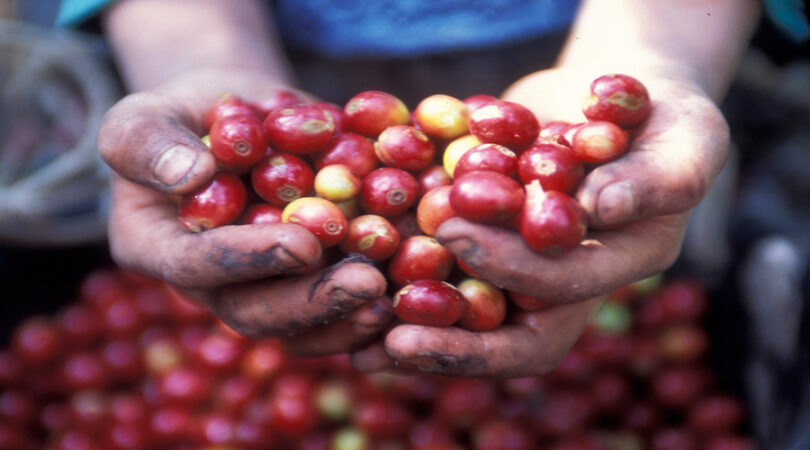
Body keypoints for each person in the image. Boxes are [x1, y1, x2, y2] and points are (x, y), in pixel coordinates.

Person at [58, 0, 764, 378]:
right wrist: (200, 59)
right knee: (329, 290)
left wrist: (654, 54)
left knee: (627, 248)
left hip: (599, 45)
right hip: (269, 54)